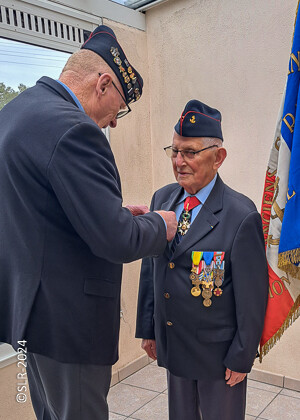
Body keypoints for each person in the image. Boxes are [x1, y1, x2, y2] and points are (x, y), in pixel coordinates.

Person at [0, 25, 177, 420]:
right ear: (103, 84)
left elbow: (44, 214)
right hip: (69, 327)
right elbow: (116, 241)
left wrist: (114, 215)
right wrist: (158, 225)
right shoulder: (75, 129)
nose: (115, 122)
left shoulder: (15, 113)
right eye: (121, 106)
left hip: (29, 316)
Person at [136, 100, 269, 420]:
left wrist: (242, 356)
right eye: (175, 150)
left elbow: (253, 297)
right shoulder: (162, 198)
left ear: (218, 157)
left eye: (190, 152)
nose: (179, 161)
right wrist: (148, 327)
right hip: (175, 343)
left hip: (217, 356)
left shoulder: (241, 214)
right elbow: (151, 265)